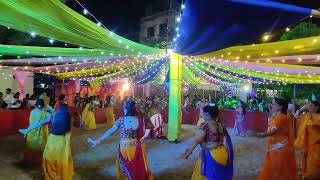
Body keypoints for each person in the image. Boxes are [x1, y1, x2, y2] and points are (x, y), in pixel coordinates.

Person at [88, 100, 153, 180]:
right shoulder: (139, 120)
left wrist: (98, 140)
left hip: (124, 149)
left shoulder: (121, 120)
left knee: (123, 170)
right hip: (136, 148)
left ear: (125, 109)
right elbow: (149, 128)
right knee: (136, 169)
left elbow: (110, 131)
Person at [19, 103, 73, 180]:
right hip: (62, 142)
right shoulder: (68, 118)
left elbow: (38, 124)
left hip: (53, 140)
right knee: (61, 159)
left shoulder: (53, 116)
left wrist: (27, 130)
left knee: (49, 158)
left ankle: (52, 176)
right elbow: (79, 125)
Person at [181, 105, 233, 180]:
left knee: (203, 174)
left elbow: (197, 140)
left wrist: (189, 151)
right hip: (223, 152)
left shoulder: (205, 125)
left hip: (213, 155)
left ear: (208, 114)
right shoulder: (221, 124)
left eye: (204, 114)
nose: (202, 116)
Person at [257, 98, 297, 180]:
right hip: (276, 147)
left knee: (276, 170)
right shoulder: (275, 117)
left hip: (280, 148)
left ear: (281, 107)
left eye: (274, 104)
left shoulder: (281, 117)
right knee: (276, 169)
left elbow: (273, 131)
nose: (271, 105)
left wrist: (261, 135)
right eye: (272, 103)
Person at [20, 99, 54, 166]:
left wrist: (27, 131)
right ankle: (39, 161)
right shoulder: (46, 113)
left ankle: (31, 160)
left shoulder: (32, 112)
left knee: (31, 146)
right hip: (41, 133)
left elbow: (30, 122)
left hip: (32, 132)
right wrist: (49, 107)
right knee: (40, 148)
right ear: (43, 105)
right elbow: (53, 113)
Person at [295, 101, 320, 179]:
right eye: (308, 105)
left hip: (316, 147)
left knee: (313, 169)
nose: (309, 107)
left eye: (311, 105)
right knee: (305, 168)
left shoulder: (318, 117)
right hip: (307, 147)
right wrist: (301, 109)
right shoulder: (306, 116)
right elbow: (295, 117)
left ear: (317, 107)